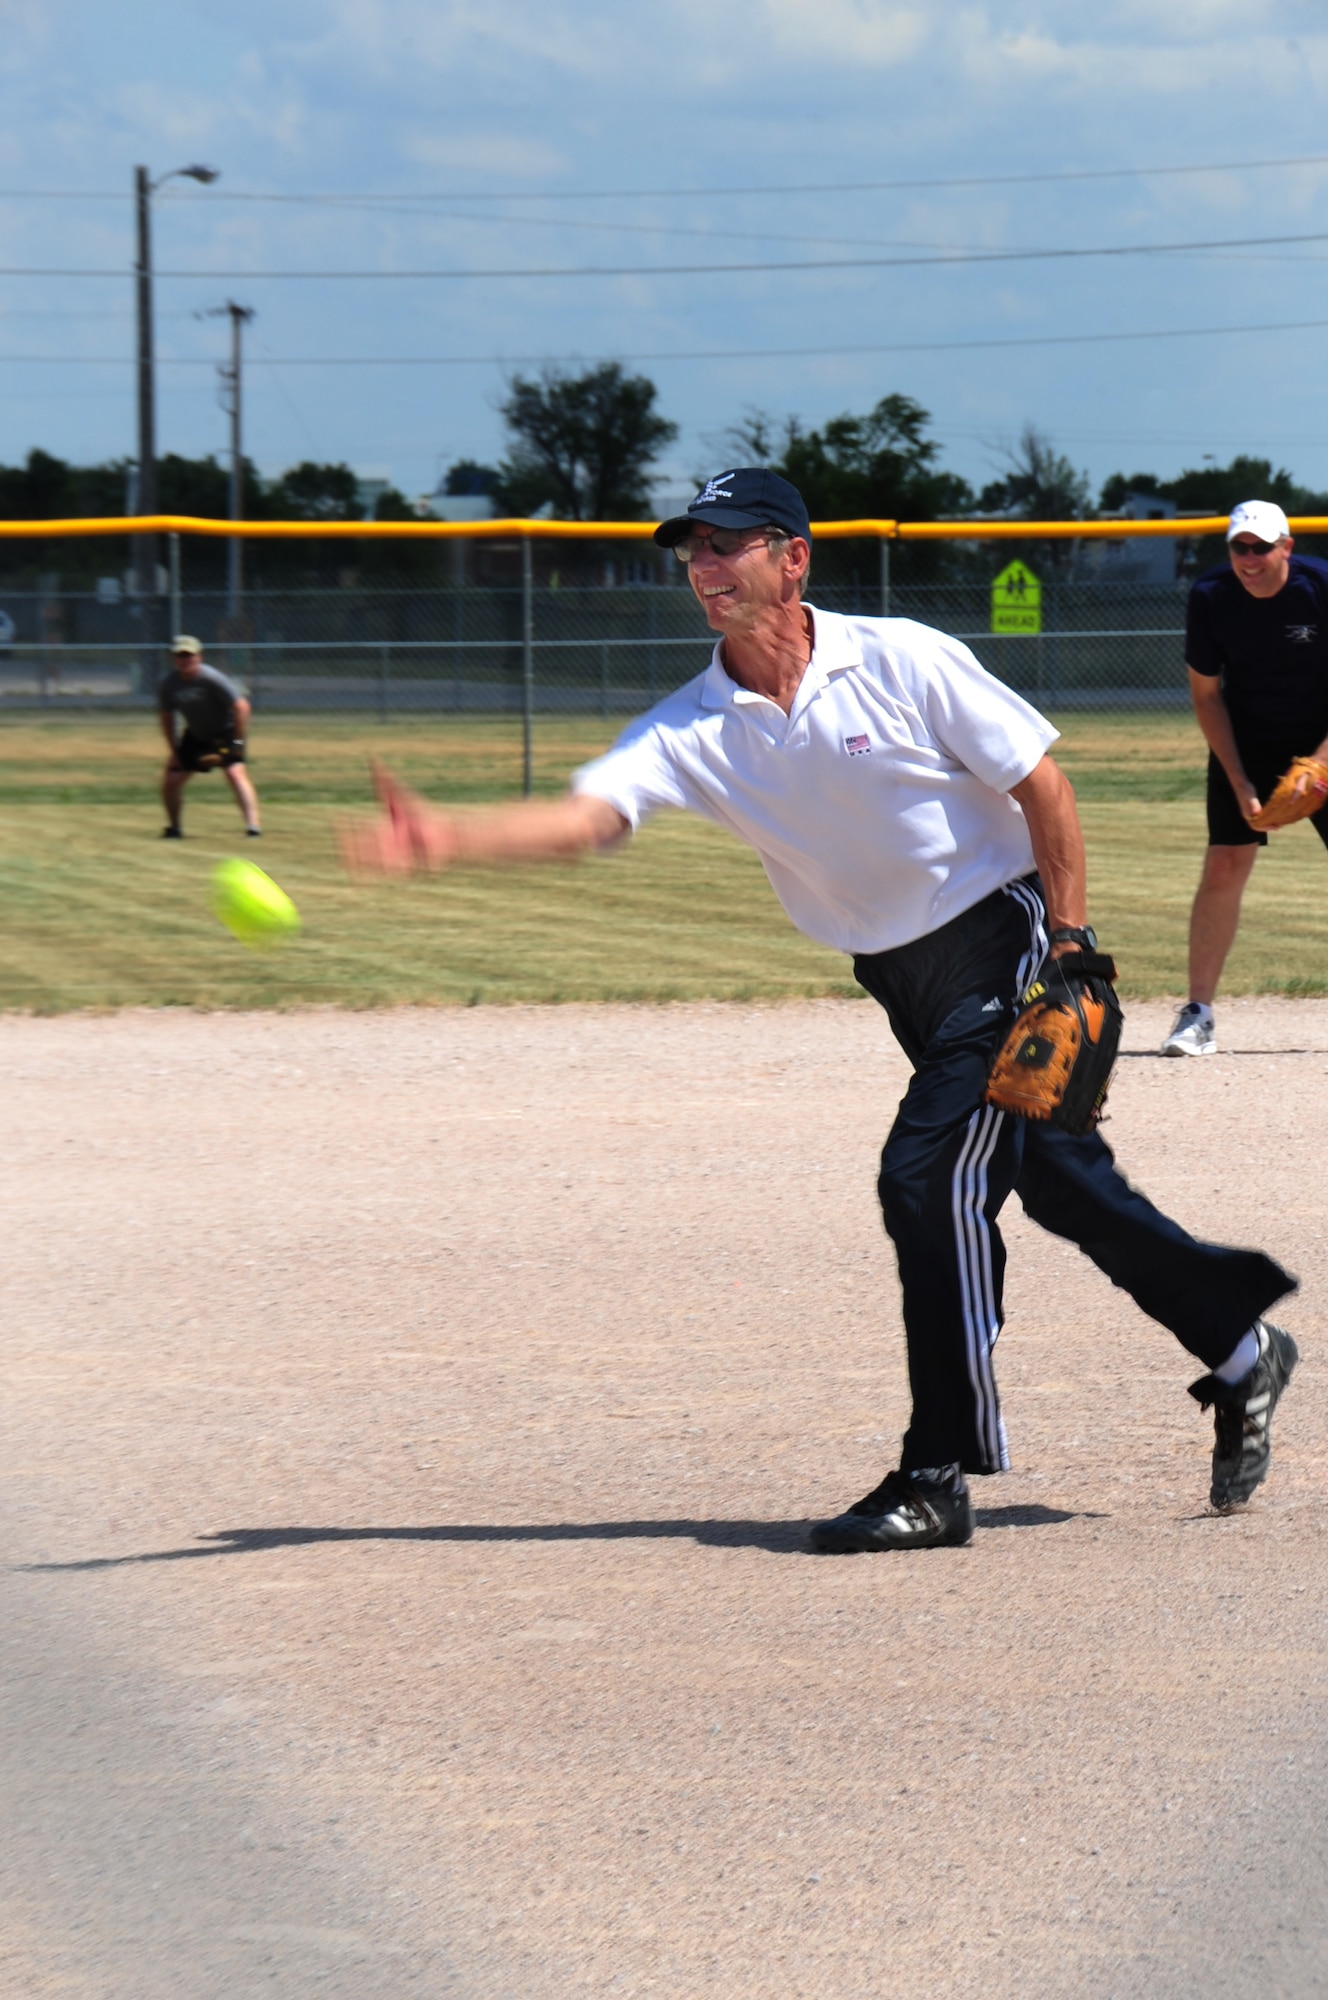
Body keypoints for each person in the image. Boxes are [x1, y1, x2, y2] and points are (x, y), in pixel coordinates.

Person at [342, 468, 1300, 1550]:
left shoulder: (896, 658)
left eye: (728, 543)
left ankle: (934, 1470)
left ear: (792, 557)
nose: (704, 566)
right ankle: (1238, 1349)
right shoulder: (696, 724)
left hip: (1007, 945)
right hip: (902, 980)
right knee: (1059, 1187)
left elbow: (1042, 785)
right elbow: (589, 817)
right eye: (692, 549)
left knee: (924, 1177)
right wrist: (445, 838)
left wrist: (1071, 945)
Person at [1162, 500, 1328, 1056]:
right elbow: (1207, 695)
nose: (1250, 558)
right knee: (1225, 863)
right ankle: (1197, 1015)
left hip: (1323, 737)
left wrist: (1319, 763)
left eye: (1262, 547)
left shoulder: (1321, 586)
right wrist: (1239, 782)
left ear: (1287, 546)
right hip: (1248, 738)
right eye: (1240, 547)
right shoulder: (1212, 596)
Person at [157, 635, 261, 839]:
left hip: (225, 733)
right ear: (173, 659)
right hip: (197, 736)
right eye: (180, 656)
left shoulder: (211, 678)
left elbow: (242, 707)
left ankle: (253, 827)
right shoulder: (168, 684)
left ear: (199, 657)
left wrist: (237, 743)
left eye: (189, 655)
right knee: (171, 781)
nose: (184, 660)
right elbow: (167, 718)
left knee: (235, 773)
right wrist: (174, 752)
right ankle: (174, 828)